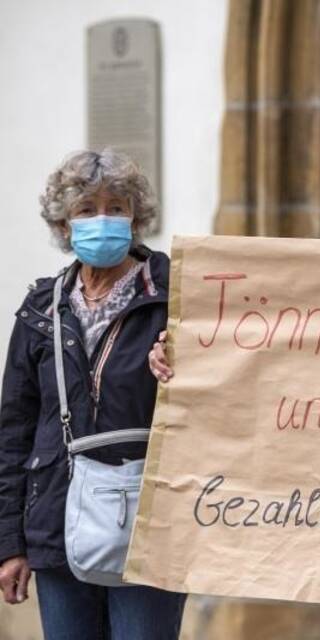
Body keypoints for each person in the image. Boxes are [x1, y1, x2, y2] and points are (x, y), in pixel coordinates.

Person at [0, 150, 186, 639]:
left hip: (150, 526)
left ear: (136, 217)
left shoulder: (178, 295)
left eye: (116, 206)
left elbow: (228, 381)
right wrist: (10, 545)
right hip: (56, 525)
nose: (101, 219)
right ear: (64, 224)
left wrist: (184, 360)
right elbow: (14, 432)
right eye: (86, 209)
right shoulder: (41, 307)